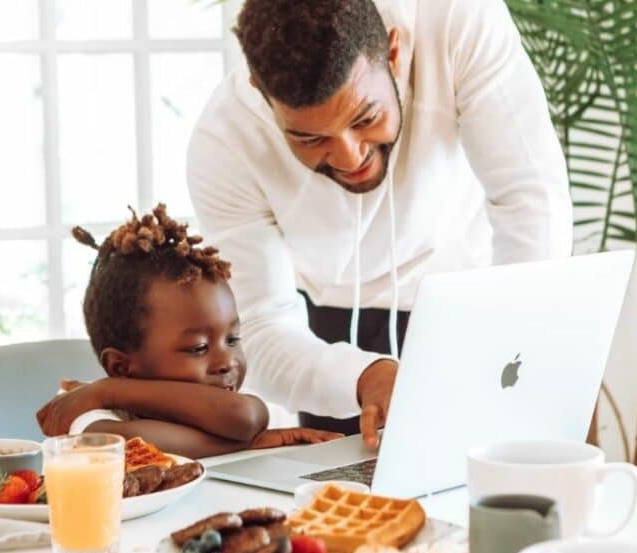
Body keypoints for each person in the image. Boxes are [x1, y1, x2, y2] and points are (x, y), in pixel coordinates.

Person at [187, 0, 572, 446]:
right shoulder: (222, 143)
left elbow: (531, 198)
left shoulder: (455, 18)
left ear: (393, 54)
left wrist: (513, 350)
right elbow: (261, 328)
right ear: (260, 91)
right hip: (322, 338)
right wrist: (363, 375)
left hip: (468, 303)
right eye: (310, 138)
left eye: (365, 118)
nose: (350, 157)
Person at [35, 205, 340, 458]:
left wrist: (110, 388)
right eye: (198, 348)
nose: (227, 360)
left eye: (232, 339)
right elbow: (133, 446)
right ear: (121, 366)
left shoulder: (101, 394)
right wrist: (250, 443)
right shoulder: (82, 409)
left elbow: (248, 417)